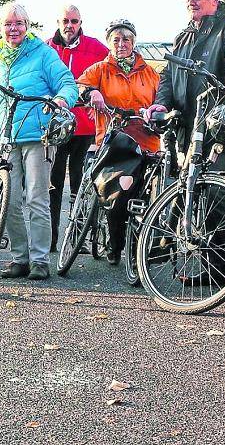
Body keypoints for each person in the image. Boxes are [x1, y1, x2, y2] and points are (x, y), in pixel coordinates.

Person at [0, 2, 78, 281]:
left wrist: (61, 100)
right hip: (7, 137)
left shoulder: (42, 53)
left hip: (37, 135)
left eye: (18, 23)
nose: (13, 28)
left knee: (37, 198)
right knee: (10, 201)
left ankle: (40, 260)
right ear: (0, 28)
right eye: (7, 24)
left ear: (27, 26)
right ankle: (20, 258)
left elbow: (67, 83)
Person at [77, 19, 160, 265]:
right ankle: (115, 243)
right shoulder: (101, 69)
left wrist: (154, 113)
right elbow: (79, 84)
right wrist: (92, 92)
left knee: (142, 198)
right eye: (116, 40)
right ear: (109, 43)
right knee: (116, 196)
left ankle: (138, 249)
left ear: (133, 42)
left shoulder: (150, 73)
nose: (121, 44)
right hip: (114, 142)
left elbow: (162, 98)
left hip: (145, 142)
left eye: (126, 39)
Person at [146, 0, 225, 148]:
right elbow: (169, 75)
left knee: (216, 174)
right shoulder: (182, 38)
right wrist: (161, 104)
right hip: (185, 128)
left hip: (217, 126)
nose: (191, 2)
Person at [45, 4, 109, 252]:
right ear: (58, 22)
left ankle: (78, 237)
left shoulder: (95, 47)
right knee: (53, 183)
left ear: (81, 23)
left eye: (74, 21)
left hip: (86, 125)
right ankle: (50, 238)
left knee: (82, 184)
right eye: (65, 21)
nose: (69, 26)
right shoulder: (47, 47)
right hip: (55, 126)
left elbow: (111, 67)